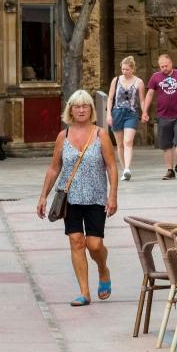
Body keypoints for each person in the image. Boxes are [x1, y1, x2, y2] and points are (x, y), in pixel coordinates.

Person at [35, 90, 120, 307]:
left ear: (91, 109)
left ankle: (103, 269)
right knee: (76, 241)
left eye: (85, 106)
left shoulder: (101, 134)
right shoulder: (63, 137)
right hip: (69, 197)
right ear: (70, 110)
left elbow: (111, 166)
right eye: (77, 106)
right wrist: (43, 196)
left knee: (94, 244)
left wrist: (113, 195)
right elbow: (54, 168)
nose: (81, 110)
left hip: (95, 197)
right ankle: (84, 292)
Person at [147, 53, 177, 180]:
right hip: (163, 115)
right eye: (161, 66)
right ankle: (170, 170)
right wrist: (145, 111)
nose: (164, 68)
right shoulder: (155, 77)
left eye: (166, 66)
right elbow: (150, 94)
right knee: (166, 145)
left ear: (171, 63)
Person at [104, 56, 146, 181]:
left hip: (131, 113)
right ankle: (124, 170)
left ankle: (127, 168)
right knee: (120, 144)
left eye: (127, 69)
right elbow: (110, 98)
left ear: (132, 69)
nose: (124, 72)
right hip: (117, 112)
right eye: (123, 69)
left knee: (128, 141)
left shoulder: (139, 82)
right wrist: (108, 115)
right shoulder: (116, 80)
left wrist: (144, 112)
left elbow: (142, 100)